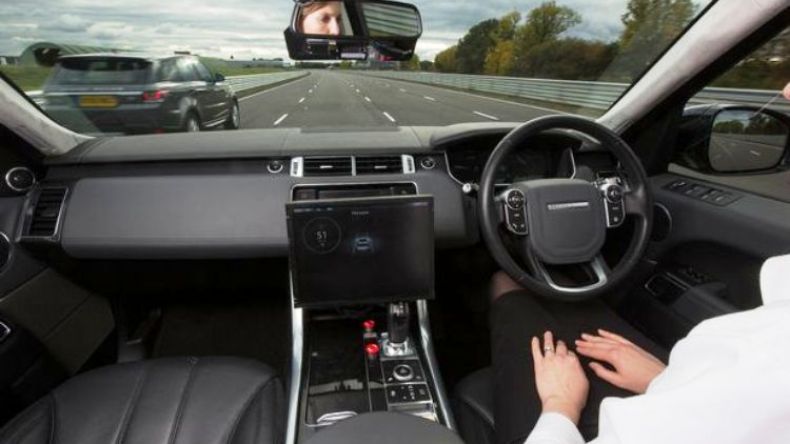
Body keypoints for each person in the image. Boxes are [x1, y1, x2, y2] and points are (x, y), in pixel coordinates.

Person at [489, 254, 790, 444]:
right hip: (681, 395)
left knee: (506, 282)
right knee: (559, 296)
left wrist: (560, 405)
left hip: (591, 430)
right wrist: (666, 379)